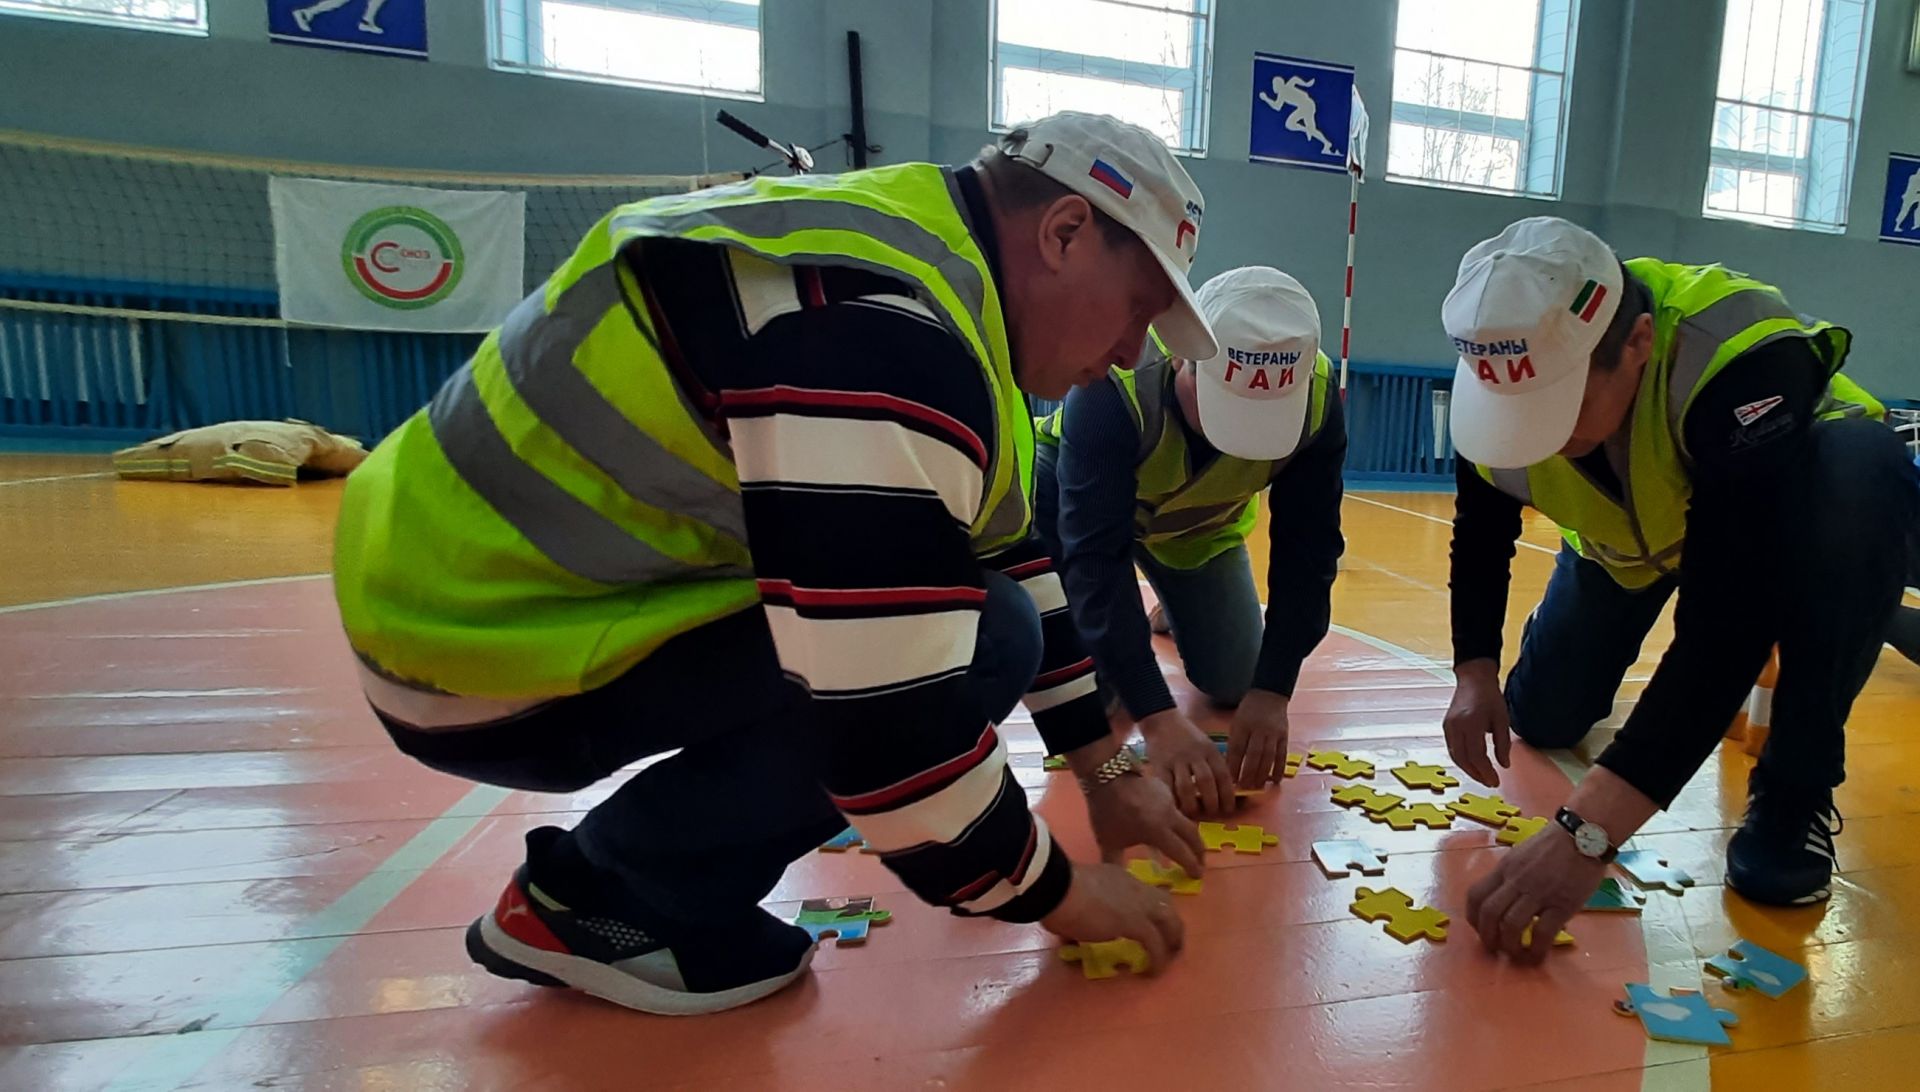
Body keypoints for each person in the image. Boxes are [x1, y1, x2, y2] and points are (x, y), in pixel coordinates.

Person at [331, 112, 1216, 1015]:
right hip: (468, 649)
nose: (1129, 356)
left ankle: (619, 876)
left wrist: (1104, 771)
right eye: (1139, 309)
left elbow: (1009, 550)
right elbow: (888, 727)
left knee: (993, 616)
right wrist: (1053, 890)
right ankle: (606, 903)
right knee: (970, 641)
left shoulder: (934, 275)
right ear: (1065, 232)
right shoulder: (884, 331)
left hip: (466, 590)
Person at [1440, 217, 1914, 961]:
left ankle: (1795, 793)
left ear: (1637, 345)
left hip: (1784, 519)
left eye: (1559, 407)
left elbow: (1729, 622)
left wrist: (1585, 831)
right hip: (1617, 551)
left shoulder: (1739, 354)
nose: (1537, 433)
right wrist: (1473, 670)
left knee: (1862, 476)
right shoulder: (1502, 359)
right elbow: (1481, 528)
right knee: (1543, 717)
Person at [1033, 267, 1346, 815]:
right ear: (1183, 356)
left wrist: (1274, 690)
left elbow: (1309, 553)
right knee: (1098, 698)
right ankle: (1145, 624)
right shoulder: (1115, 382)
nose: (1242, 437)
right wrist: (1156, 716)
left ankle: (1170, 608)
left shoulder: (1317, 398)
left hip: (1195, 530)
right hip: (1075, 512)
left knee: (1236, 681)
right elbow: (1096, 563)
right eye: (1227, 403)